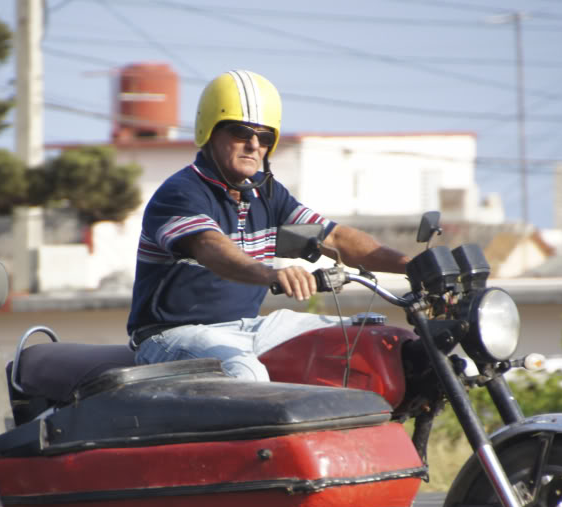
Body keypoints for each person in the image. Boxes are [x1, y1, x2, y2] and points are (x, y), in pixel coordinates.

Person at [127, 69, 409, 381]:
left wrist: (415, 266)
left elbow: (337, 238)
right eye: (240, 132)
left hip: (247, 328)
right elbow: (211, 247)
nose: (253, 145)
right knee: (245, 374)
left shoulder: (266, 192)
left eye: (264, 137)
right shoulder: (182, 192)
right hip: (170, 337)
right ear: (210, 130)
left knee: (367, 339)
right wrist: (271, 274)